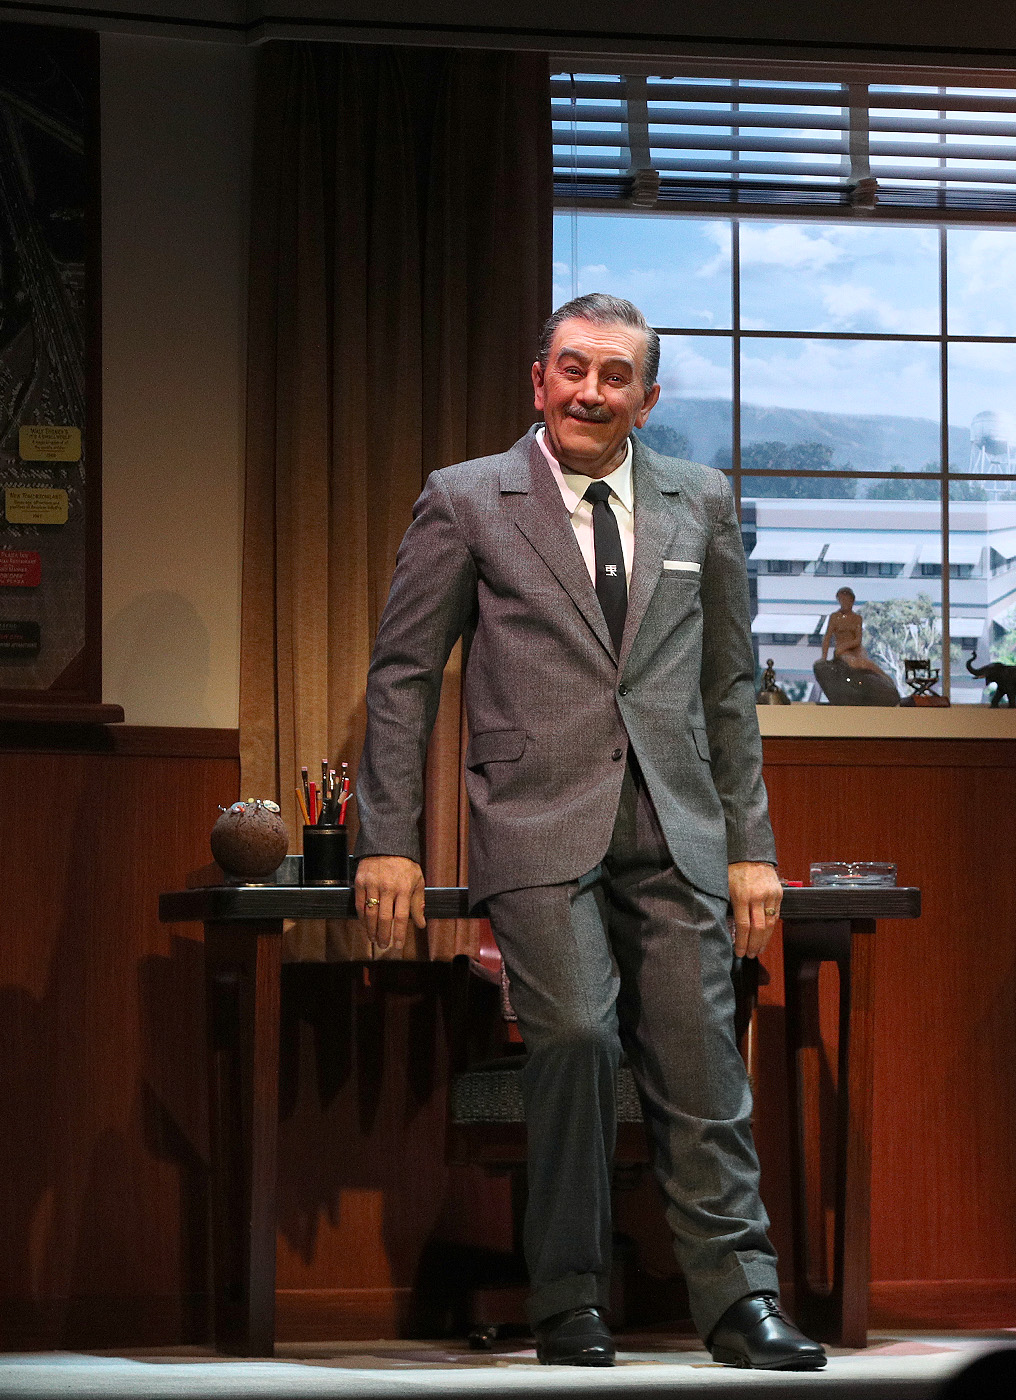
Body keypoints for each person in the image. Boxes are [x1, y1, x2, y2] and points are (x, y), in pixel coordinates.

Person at [353, 292, 825, 1372]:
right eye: (573, 368)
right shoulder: (467, 498)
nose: (590, 392)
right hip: (534, 819)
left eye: (616, 376)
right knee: (573, 1037)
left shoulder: (700, 500)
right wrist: (390, 835)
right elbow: (403, 676)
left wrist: (751, 845)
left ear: (647, 399)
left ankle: (741, 1298)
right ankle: (569, 1298)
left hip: (676, 822)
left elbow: (728, 687)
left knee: (702, 1057)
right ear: (539, 380)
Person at [812, 587, 899, 706]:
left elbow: (858, 639)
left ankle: (887, 679)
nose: (845, 603)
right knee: (853, 663)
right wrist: (824, 657)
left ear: (852, 601)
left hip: (855, 649)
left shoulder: (857, 618)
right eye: (842, 600)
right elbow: (827, 637)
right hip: (842, 651)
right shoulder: (835, 617)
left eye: (847, 600)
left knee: (866, 664)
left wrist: (847, 646)